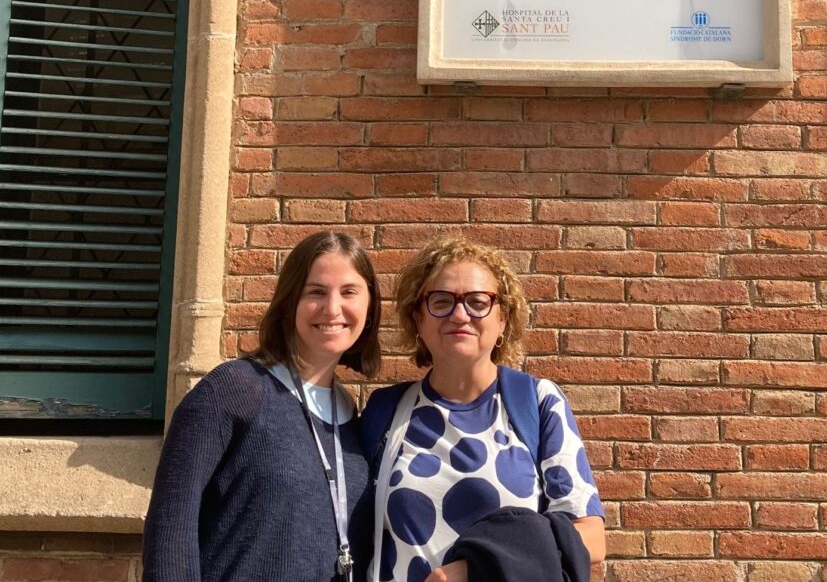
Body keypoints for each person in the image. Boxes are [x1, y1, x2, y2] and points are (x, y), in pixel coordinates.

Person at [143, 231, 382, 581]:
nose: (333, 308)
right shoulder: (234, 390)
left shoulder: (350, 414)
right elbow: (171, 525)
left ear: (370, 306)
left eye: (349, 292)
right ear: (289, 302)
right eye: (315, 292)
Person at [364, 237, 605, 582]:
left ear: (503, 319)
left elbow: (591, 537)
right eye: (441, 301)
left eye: (478, 302)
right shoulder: (386, 411)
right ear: (417, 318)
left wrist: (474, 567)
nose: (459, 314)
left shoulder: (537, 402)